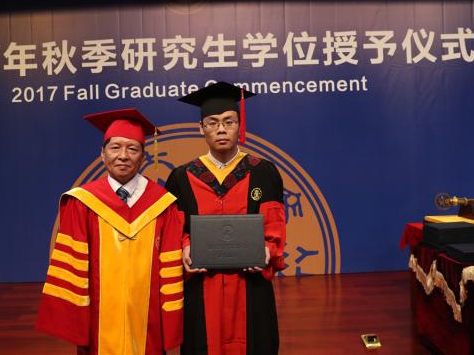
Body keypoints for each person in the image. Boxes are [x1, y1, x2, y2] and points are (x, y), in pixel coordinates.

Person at [36, 108, 184, 355]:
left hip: (148, 320)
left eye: (132, 149)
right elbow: (72, 268)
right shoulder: (83, 202)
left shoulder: (163, 204)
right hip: (97, 319)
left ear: (143, 156)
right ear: (102, 154)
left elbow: (171, 266)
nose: (123, 156)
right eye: (115, 147)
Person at [165, 82, 286, 355]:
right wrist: (185, 247)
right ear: (201, 128)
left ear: (239, 126)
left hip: (250, 283)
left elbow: (275, 223)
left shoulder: (264, 172)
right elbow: (175, 228)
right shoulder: (181, 177)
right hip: (202, 283)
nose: (221, 129)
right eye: (213, 123)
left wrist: (268, 249)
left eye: (229, 122)